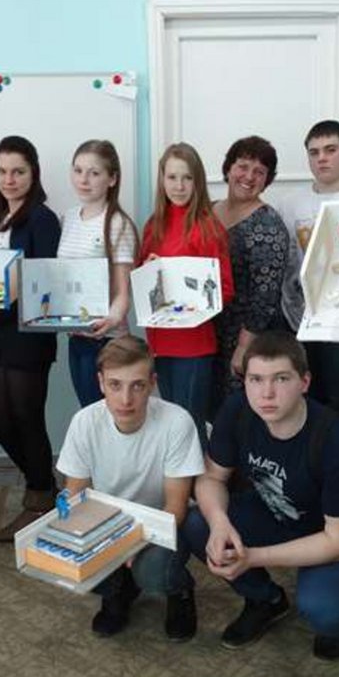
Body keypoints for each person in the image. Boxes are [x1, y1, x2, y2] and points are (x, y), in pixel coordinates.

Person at [181, 331, 339, 660]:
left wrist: (253, 557)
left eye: (281, 379)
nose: (267, 393)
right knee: (197, 523)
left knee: (325, 609)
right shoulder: (238, 409)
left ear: (305, 382)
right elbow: (211, 478)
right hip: (278, 513)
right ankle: (266, 600)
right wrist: (219, 523)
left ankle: (336, 622)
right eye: (256, 379)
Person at [56, 336, 204, 640]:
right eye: (115, 385)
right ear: (101, 383)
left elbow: (175, 506)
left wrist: (134, 542)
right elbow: (75, 497)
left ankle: (179, 589)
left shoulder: (176, 422)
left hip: (162, 521)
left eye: (137, 385)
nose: (126, 399)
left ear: (152, 384)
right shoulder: (84, 422)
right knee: (74, 554)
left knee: (153, 572)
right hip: (110, 522)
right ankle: (117, 591)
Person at [0, 136, 62, 541]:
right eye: (2, 171)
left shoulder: (42, 219)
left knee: (28, 419)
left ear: (33, 173)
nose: (9, 179)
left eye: (18, 171)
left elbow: (40, 277)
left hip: (28, 332)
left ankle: (39, 499)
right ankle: (45, 485)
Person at [139, 143, 234, 451]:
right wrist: (149, 271)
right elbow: (142, 283)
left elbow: (225, 288)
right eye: (172, 177)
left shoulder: (208, 227)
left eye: (187, 178)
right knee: (170, 423)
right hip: (160, 341)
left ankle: (202, 480)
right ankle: (180, 479)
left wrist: (192, 292)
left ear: (198, 181)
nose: (179, 186)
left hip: (194, 343)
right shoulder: (153, 225)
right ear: (162, 180)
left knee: (190, 424)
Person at [211, 136, 289, 417]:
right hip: (208, 333)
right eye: (242, 167)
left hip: (245, 337)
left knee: (238, 414)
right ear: (228, 168)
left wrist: (244, 346)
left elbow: (265, 296)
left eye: (259, 172)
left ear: (267, 180)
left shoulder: (269, 224)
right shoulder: (207, 210)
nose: (249, 177)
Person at [58, 140, 139, 406]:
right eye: (78, 170)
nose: (84, 180)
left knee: (107, 413)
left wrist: (110, 320)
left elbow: (123, 294)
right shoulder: (68, 218)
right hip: (75, 336)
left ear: (112, 178)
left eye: (94, 173)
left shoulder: (118, 224)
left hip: (106, 339)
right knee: (88, 413)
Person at [278, 119, 339, 332]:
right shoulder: (289, 204)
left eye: (330, 150)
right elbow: (287, 263)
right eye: (314, 153)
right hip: (300, 316)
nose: (322, 158)